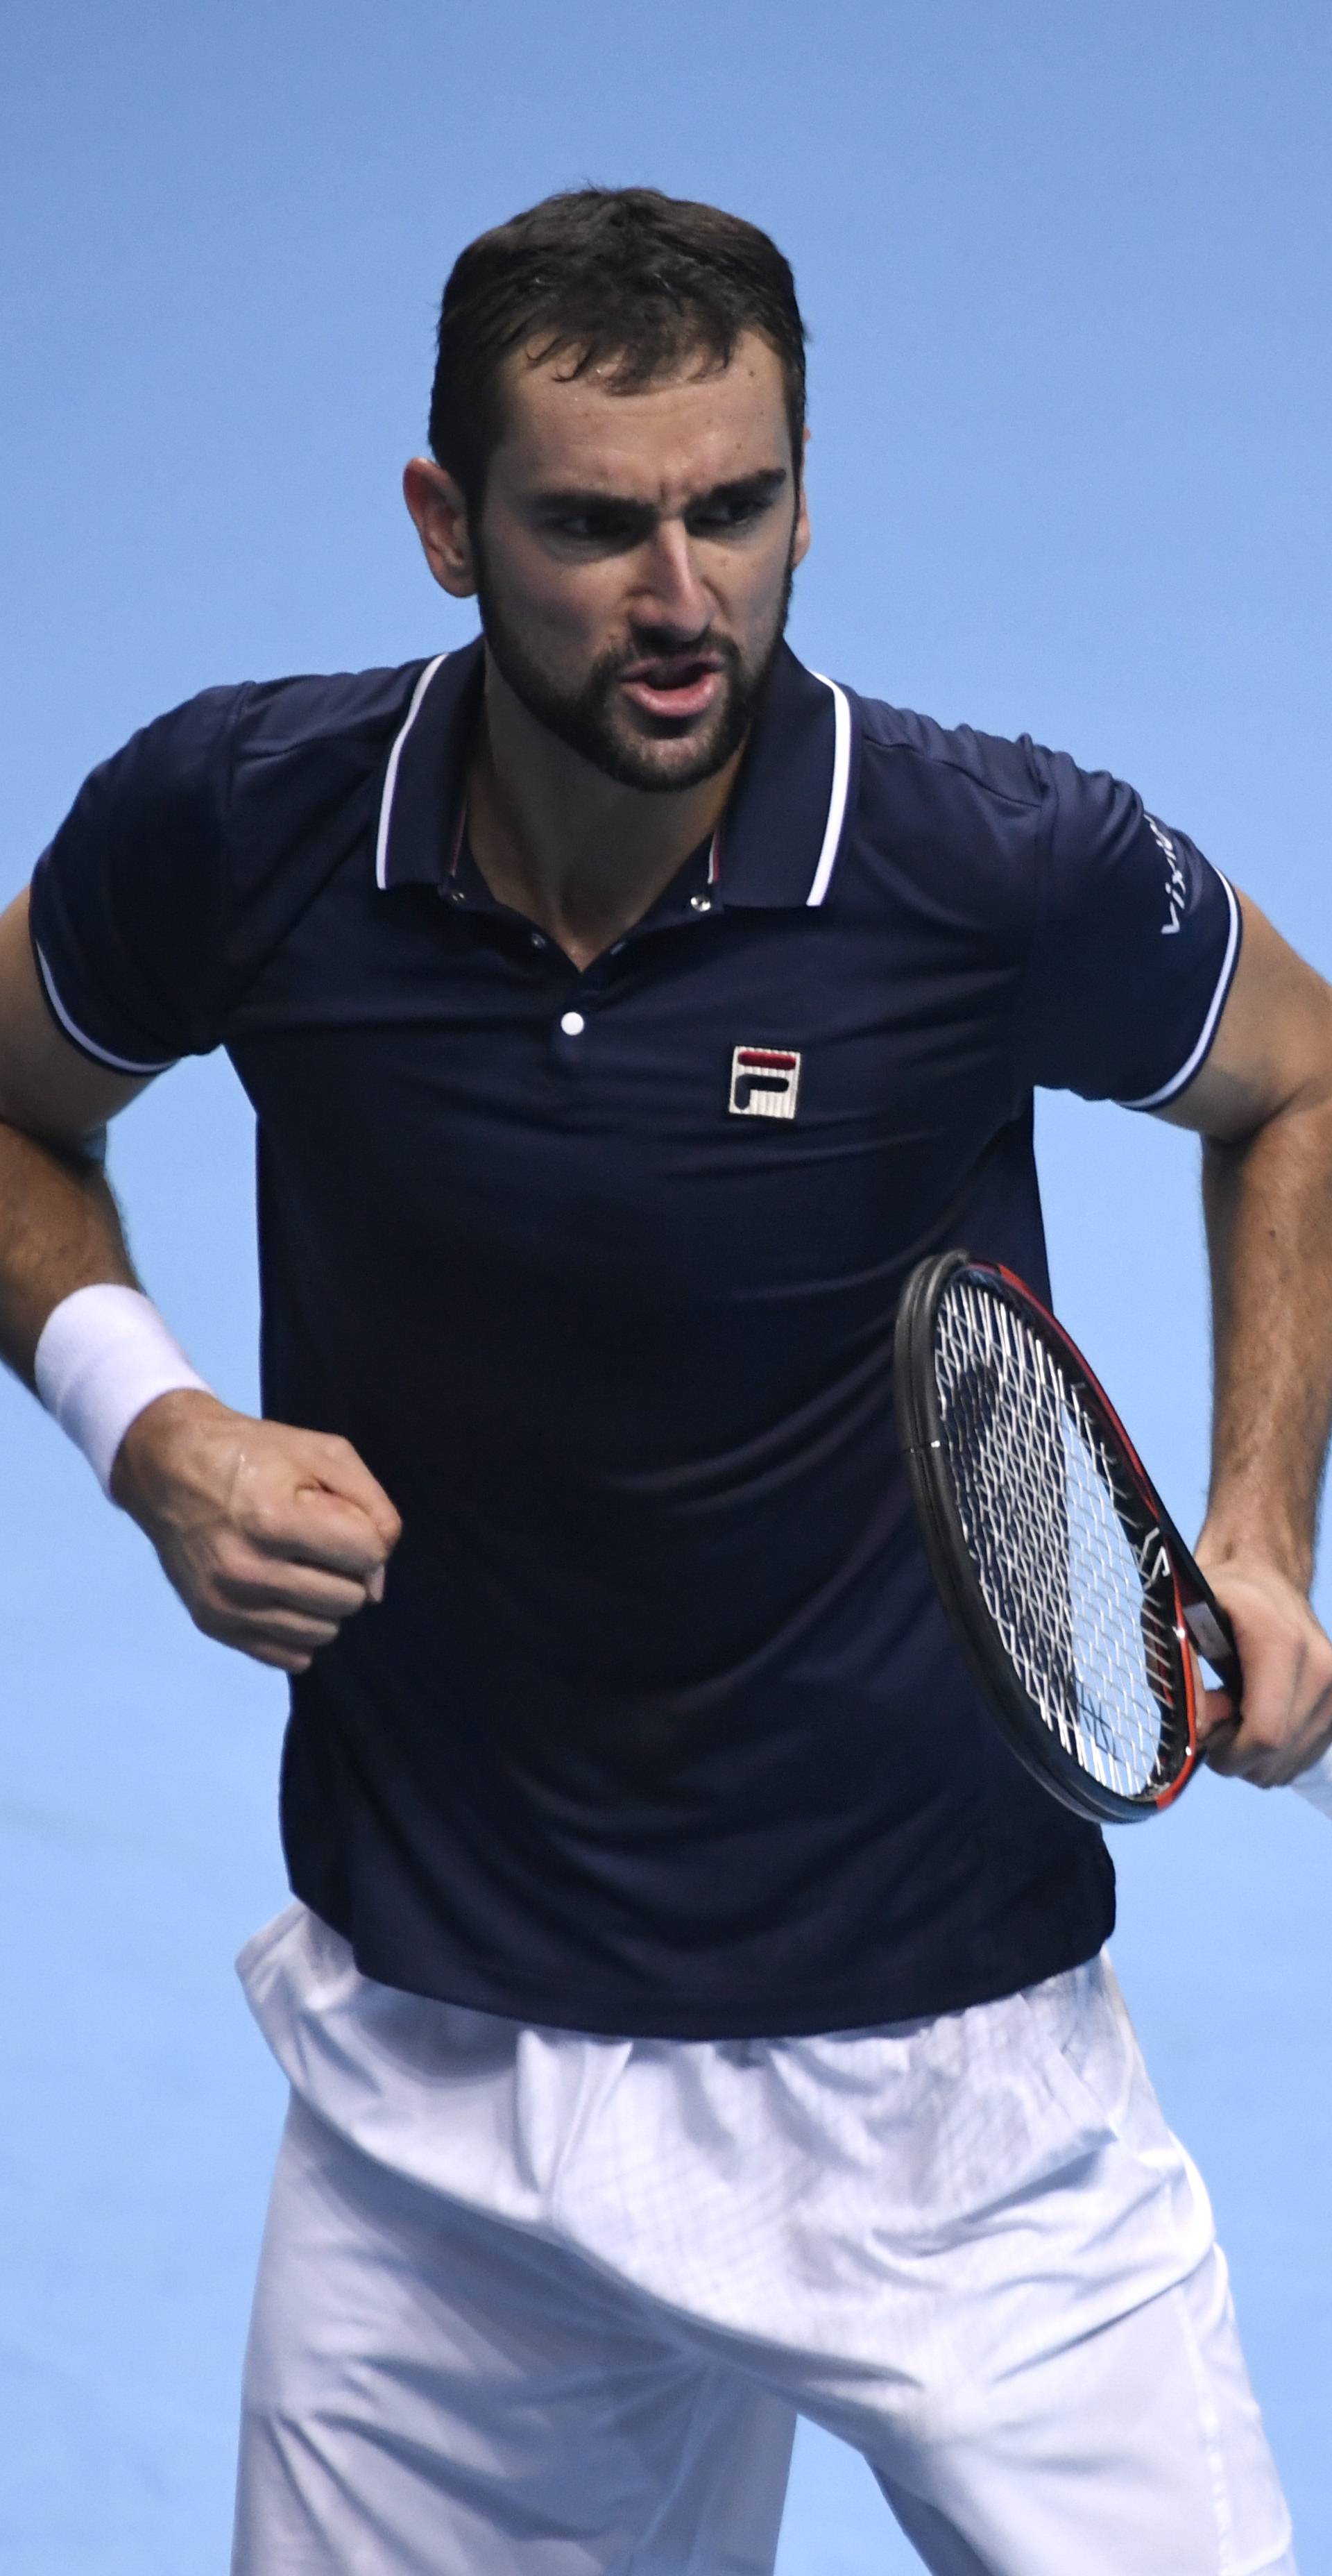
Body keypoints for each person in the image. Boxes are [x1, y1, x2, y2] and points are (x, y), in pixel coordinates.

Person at [2, 185, 1329, 2576]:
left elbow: (1299, 1079)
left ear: (807, 496)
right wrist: (150, 1422)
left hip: (956, 2095)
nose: (683, 597)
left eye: (737, 509)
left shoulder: (988, 862)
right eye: (599, 526)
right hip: (449, 2105)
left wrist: (1258, 1526)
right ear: (446, 525)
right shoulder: (240, 826)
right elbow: (8, 1093)